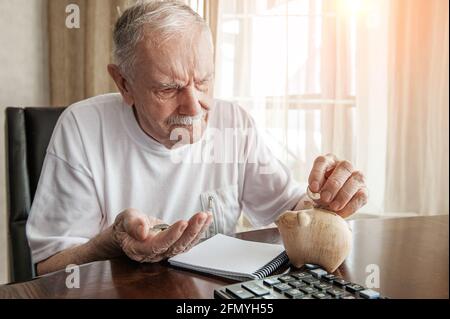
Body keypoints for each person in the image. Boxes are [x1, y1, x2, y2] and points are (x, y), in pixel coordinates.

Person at [26, 0, 368, 276]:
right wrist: (114, 243)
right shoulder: (83, 129)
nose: (194, 106)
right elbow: (49, 267)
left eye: (203, 81)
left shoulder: (234, 122)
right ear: (124, 84)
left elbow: (292, 211)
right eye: (168, 88)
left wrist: (327, 200)